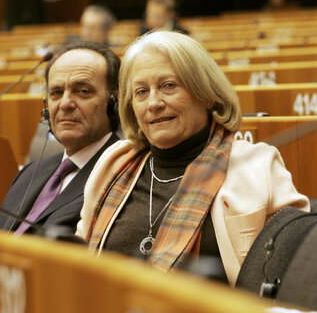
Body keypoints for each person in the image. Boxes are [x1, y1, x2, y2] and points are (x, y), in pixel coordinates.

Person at [76, 30, 309, 286]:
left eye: (168, 86)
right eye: (141, 92)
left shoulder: (256, 165)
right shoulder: (114, 162)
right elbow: (80, 258)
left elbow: (296, 269)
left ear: (207, 94)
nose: (153, 103)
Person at [0, 40, 121, 235]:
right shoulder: (29, 172)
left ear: (114, 103)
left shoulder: (123, 174)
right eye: (56, 93)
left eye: (82, 91)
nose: (65, 103)